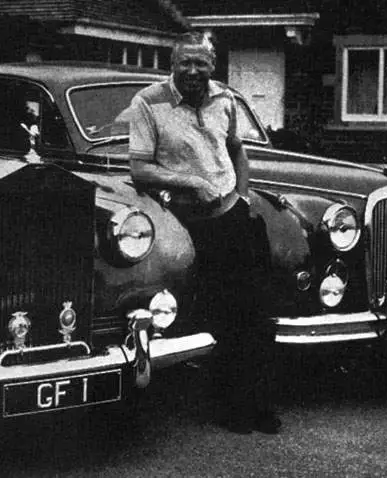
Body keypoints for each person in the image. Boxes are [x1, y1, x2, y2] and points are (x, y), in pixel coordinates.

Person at [127, 31, 280, 434]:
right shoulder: (148, 102)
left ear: (213, 66)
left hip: (231, 215)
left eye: (202, 63)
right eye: (185, 63)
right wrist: (190, 183)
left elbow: (237, 150)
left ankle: (259, 405)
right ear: (172, 65)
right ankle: (230, 409)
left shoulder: (224, 98)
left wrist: (243, 199)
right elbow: (139, 169)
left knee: (258, 315)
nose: (193, 71)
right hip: (186, 222)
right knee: (221, 316)